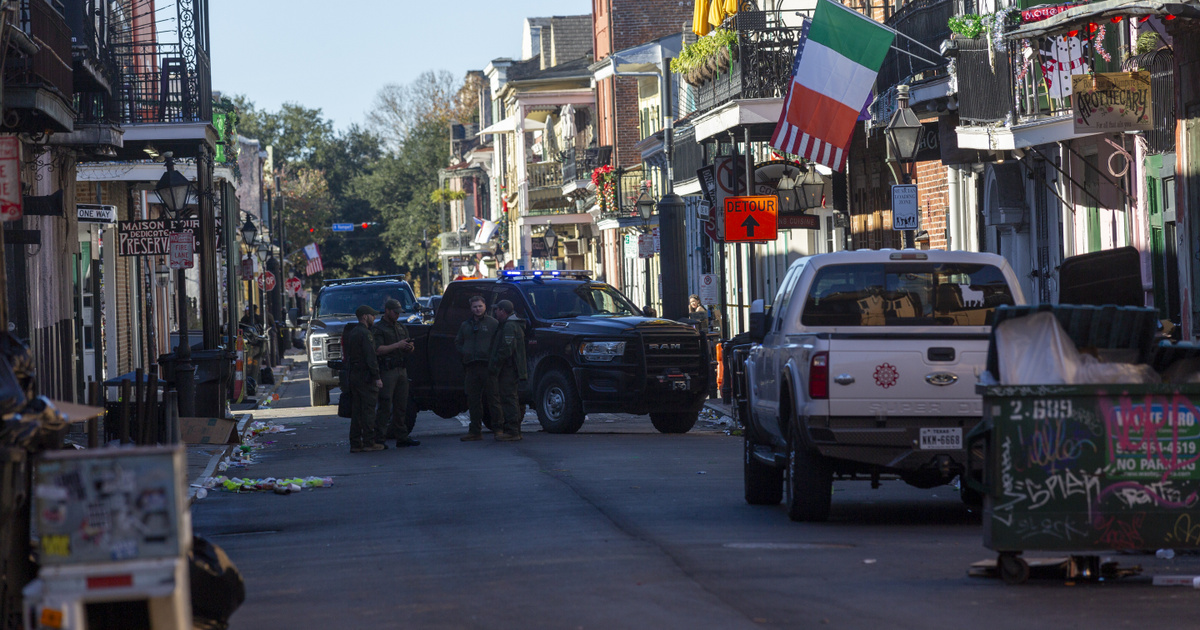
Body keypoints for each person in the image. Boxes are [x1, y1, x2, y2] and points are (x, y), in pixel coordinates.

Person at [373, 298, 419, 448]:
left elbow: (409, 346)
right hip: (387, 370)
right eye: (395, 312)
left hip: (401, 369)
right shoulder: (379, 329)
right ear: (387, 311)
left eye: (399, 313)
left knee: (401, 405)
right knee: (385, 405)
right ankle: (379, 438)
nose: (397, 315)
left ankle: (402, 436)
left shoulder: (400, 327)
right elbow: (378, 349)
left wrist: (409, 347)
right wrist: (397, 345)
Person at [455, 295, 502, 441]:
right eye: (475, 306)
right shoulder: (465, 325)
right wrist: (465, 352)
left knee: (493, 399)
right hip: (471, 367)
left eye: (480, 306)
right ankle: (475, 431)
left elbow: (499, 343)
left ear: (485, 306)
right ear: (471, 308)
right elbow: (458, 342)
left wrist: (493, 360)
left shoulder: (493, 323)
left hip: (487, 367)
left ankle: (499, 429)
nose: (477, 309)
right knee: (473, 400)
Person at [345, 305, 384, 453]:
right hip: (365, 377)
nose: (374, 318)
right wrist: (377, 377)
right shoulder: (365, 334)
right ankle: (369, 442)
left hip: (354, 375)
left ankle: (355, 443)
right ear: (364, 317)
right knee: (368, 410)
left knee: (357, 411)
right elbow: (370, 357)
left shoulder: (353, 332)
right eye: (371, 315)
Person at [489, 300, 527, 441]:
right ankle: (513, 429)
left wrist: (495, 365)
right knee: (510, 398)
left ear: (503, 311)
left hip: (508, 369)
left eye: (497, 310)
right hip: (509, 368)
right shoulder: (508, 324)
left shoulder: (509, 326)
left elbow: (506, 349)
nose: (495, 313)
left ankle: (512, 431)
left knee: (508, 398)